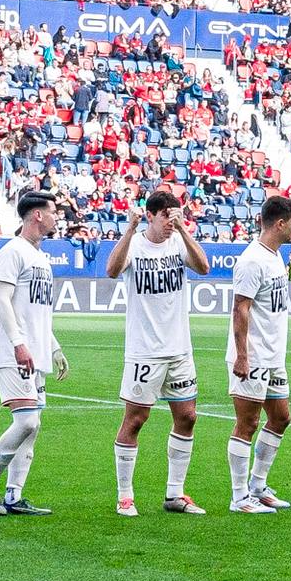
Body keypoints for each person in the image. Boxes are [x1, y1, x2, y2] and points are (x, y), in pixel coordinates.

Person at [107, 189, 209, 515]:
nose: (170, 221)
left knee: (188, 417)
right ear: (150, 215)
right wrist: (128, 230)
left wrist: (183, 229)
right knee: (136, 420)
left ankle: (174, 495)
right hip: (144, 351)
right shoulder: (135, 245)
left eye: (175, 215)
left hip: (179, 349)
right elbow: (111, 270)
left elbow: (204, 267)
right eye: (166, 216)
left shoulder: (178, 242)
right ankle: (125, 495)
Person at [0, 190, 64, 515]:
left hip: (36, 353)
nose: (58, 216)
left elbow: (37, 311)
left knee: (34, 425)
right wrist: (17, 343)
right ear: (37, 215)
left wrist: (54, 348)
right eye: (53, 211)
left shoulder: (41, 257)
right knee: (26, 421)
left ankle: (14, 495)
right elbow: (2, 301)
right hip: (14, 352)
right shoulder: (11, 252)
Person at [225, 195, 291, 512]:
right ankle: (239, 497)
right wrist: (242, 356)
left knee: (281, 418)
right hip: (253, 355)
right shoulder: (252, 260)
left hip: (272, 357)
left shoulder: (273, 257)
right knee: (247, 423)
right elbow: (240, 308)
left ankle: (257, 485)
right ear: (280, 223)